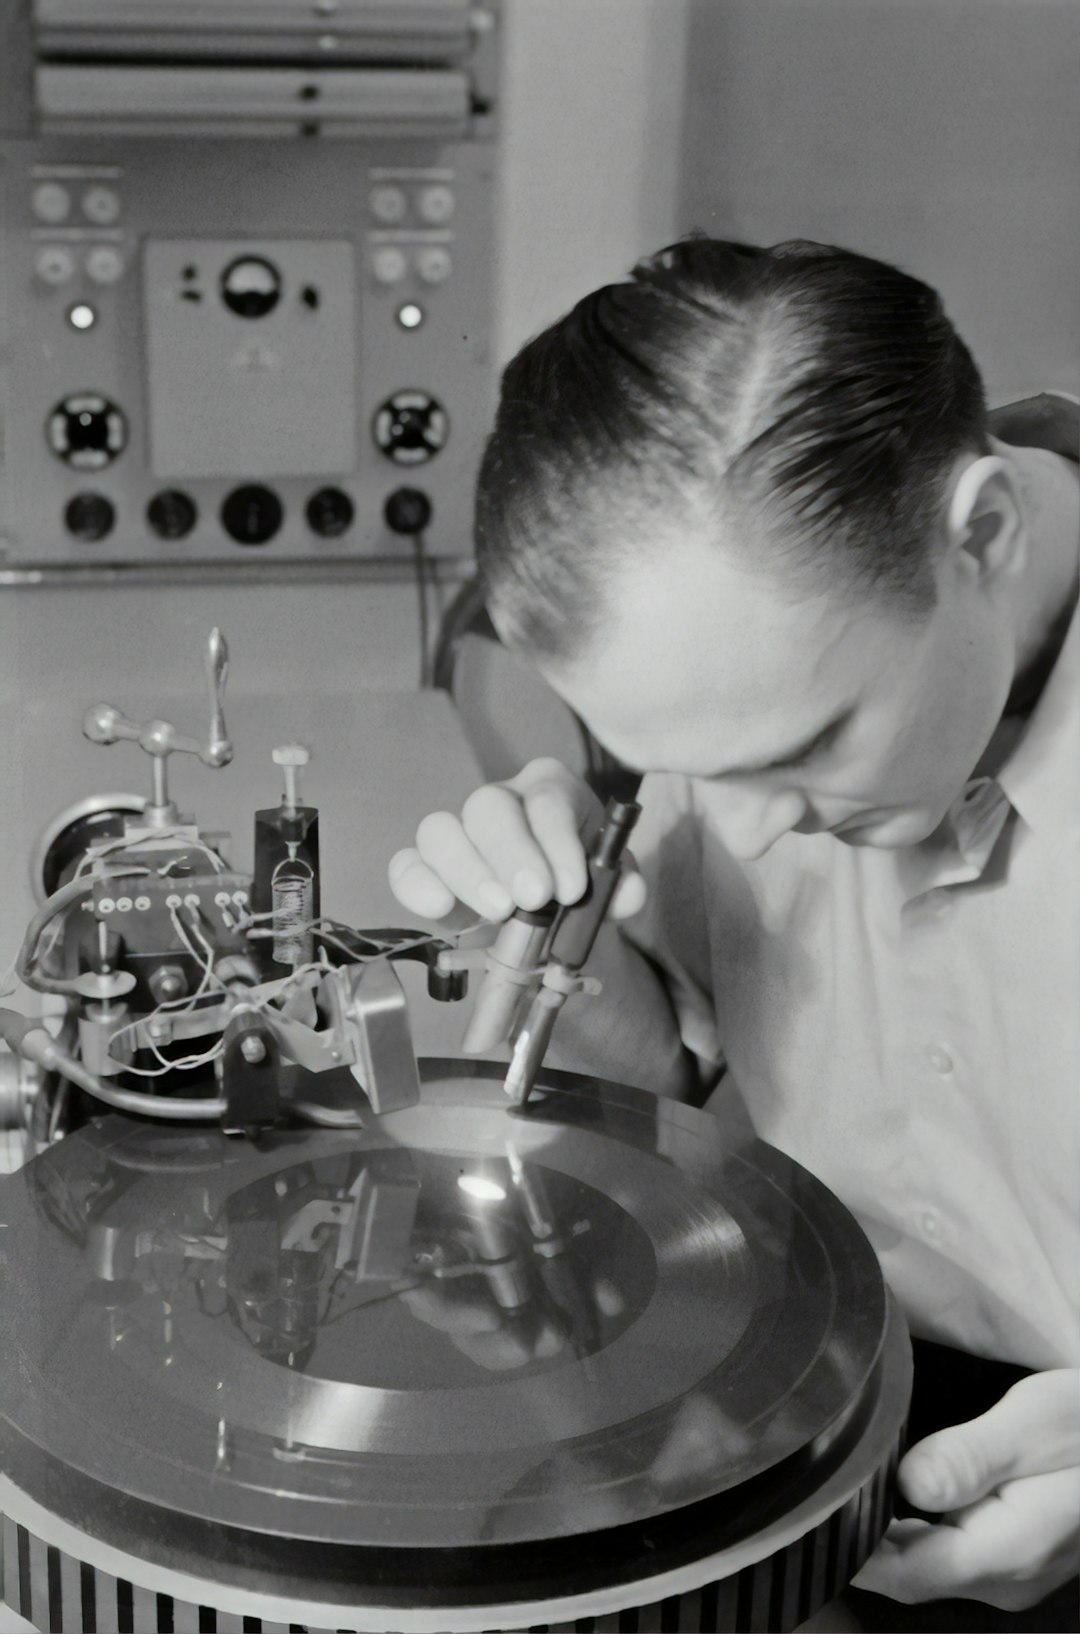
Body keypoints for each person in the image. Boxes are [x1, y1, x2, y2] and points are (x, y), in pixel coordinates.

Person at [388, 239, 1079, 1626]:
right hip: (812, 1424)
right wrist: (574, 950)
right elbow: (679, 1086)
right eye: (695, 766)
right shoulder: (771, 657)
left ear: (985, 535)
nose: (752, 836)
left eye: (806, 745)